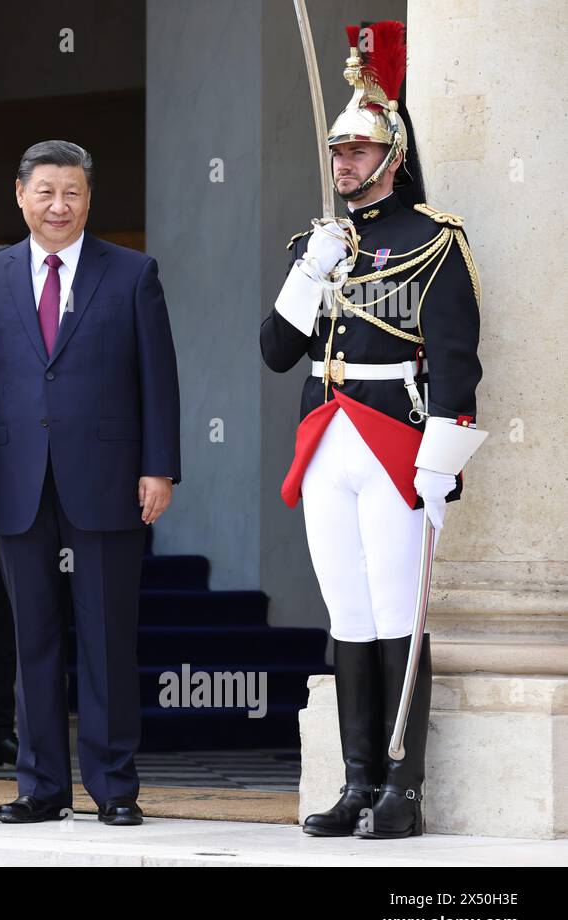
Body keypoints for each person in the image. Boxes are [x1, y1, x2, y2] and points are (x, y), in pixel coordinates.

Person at [260, 21, 484, 839]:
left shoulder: (432, 240)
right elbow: (277, 351)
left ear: (392, 158)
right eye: (338, 152)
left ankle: (404, 788)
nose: (344, 164)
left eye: (359, 151)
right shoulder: (318, 246)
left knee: (397, 610)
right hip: (326, 441)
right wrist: (308, 272)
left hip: (396, 441)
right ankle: (356, 780)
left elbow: (457, 361)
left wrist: (443, 463)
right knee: (346, 611)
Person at [0, 140, 181, 825]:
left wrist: (160, 467)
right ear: (20, 197)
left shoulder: (133, 273)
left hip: (110, 481)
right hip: (20, 480)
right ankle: (41, 785)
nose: (59, 205)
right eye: (46, 191)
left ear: (89, 199)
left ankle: (114, 787)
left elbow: (159, 380)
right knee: (35, 640)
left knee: (108, 636)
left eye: (73, 192)